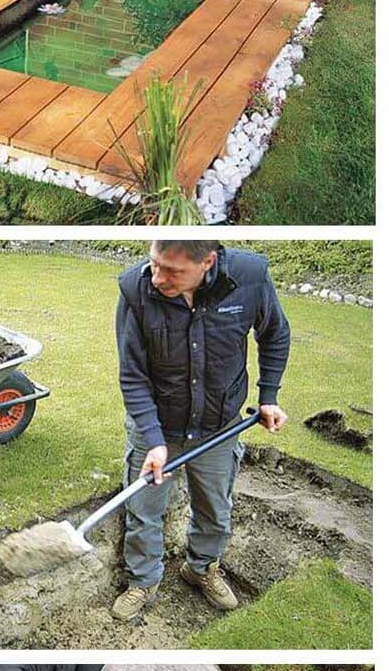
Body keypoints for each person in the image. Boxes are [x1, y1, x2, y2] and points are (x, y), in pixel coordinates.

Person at [113, 239, 290, 621]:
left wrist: (268, 395)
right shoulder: (136, 290)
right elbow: (132, 375)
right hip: (156, 424)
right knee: (144, 511)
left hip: (218, 426)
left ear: (207, 261)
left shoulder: (249, 278)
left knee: (215, 507)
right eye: (154, 263)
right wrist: (155, 441)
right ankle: (144, 580)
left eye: (172, 271)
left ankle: (201, 568)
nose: (157, 277)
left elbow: (274, 333)